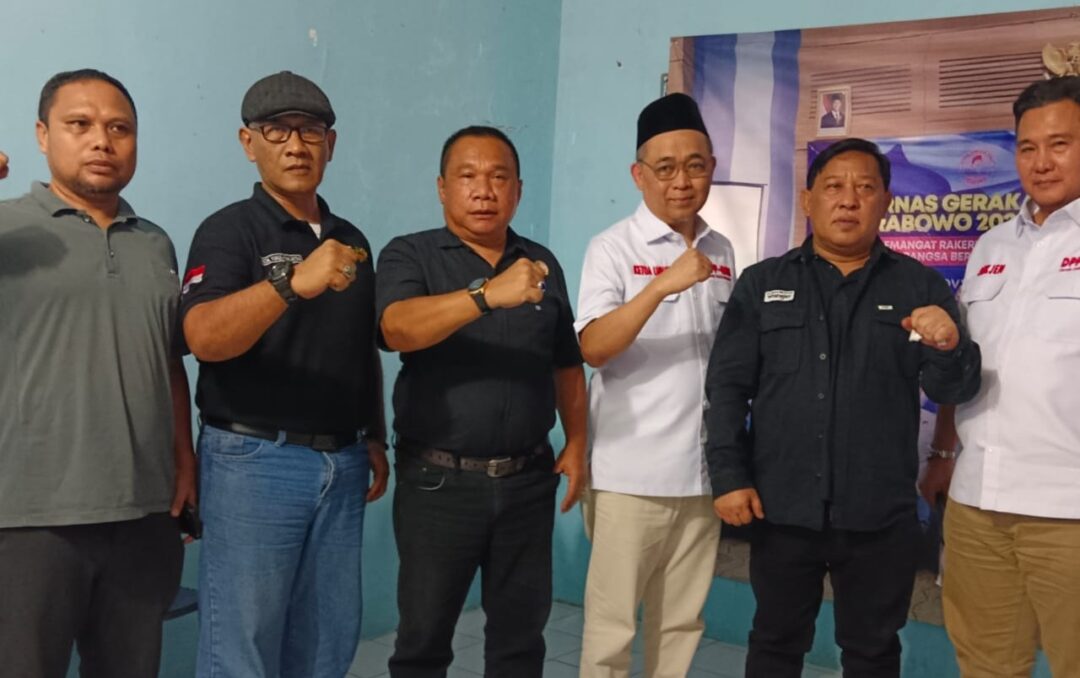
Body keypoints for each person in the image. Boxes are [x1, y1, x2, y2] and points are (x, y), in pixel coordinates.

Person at [705, 138, 981, 677]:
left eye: (865, 188)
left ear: (886, 202)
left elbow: (952, 389)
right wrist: (728, 477)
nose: (848, 200)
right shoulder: (764, 283)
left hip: (879, 514)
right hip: (781, 508)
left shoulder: (919, 285)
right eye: (833, 186)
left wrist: (949, 345)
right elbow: (728, 387)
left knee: (873, 651)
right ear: (808, 200)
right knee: (775, 644)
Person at [180, 71, 388, 678]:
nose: (296, 145)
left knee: (327, 642)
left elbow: (359, 347)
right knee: (242, 646)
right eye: (277, 130)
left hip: (344, 461)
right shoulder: (228, 230)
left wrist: (374, 434)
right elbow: (202, 337)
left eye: (310, 131)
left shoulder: (351, 239)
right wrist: (291, 283)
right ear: (249, 143)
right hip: (253, 460)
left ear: (331, 143)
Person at [0, 69, 194, 678]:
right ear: (42, 134)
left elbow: (166, 359)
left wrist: (184, 460)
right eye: (79, 124)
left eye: (119, 128)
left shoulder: (156, 244)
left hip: (145, 513)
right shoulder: (6, 227)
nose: (101, 141)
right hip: (30, 517)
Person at [377, 125, 587, 678]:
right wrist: (487, 295)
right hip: (438, 484)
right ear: (442, 187)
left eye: (498, 177)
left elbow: (566, 363)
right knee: (423, 641)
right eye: (468, 176)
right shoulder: (410, 254)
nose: (484, 190)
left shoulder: (540, 262)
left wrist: (578, 442)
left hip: (527, 482)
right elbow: (397, 328)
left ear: (518, 190)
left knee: (520, 642)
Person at [921, 76, 1080, 678]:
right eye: (1027, 147)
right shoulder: (991, 246)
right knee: (986, 665)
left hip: (1068, 510)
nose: (1041, 163)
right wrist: (943, 453)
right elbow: (968, 365)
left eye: (1060, 144)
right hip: (977, 505)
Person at [575, 93, 734, 678]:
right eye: (665, 168)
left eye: (695, 165)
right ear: (639, 175)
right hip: (630, 477)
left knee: (681, 625)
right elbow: (593, 346)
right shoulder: (612, 247)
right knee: (612, 628)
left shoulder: (721, 250)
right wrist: (662, 285)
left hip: (701, 476)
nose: (682, 182)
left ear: (711, 168)